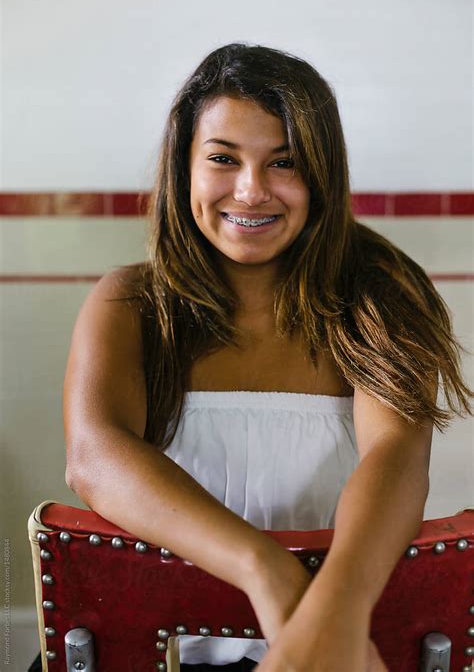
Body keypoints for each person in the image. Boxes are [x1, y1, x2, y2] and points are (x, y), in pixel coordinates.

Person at [29, 43, 473, 672]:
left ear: (322, 172)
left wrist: (335, 613)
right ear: (185, 167)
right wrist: (271, 574)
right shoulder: (129, 301)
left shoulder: (382, 296)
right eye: (222, 158)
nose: (251, 190)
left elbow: (399, 454)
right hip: (164, 651)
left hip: (338, 640)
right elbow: (94, 459)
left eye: (284, 162)